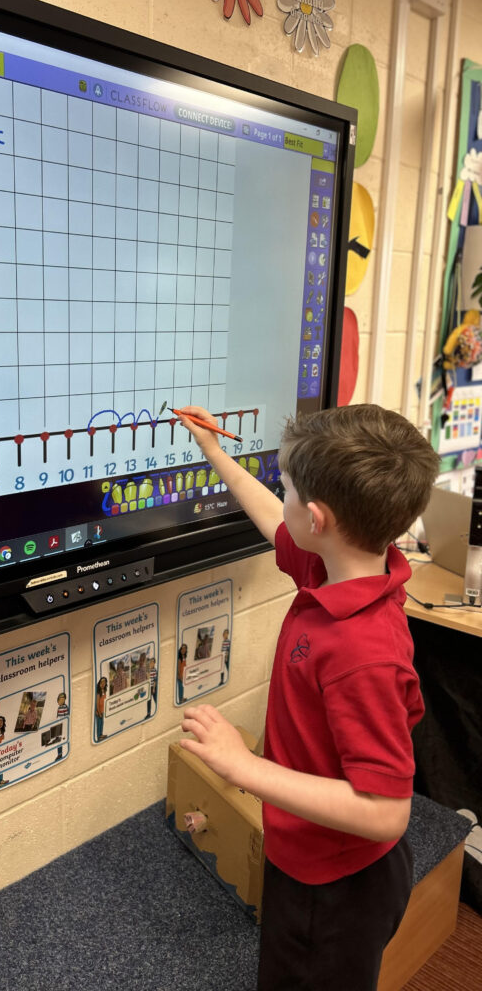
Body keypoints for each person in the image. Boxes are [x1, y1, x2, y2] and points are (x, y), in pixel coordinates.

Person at [178, 402, 440, 991]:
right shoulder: (343, 569)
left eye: (289, 486)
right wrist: (216, 454)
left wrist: (242, 765)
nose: (282, 495)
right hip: (313, 858)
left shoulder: (361, 651)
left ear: (317, 519)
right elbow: (275, 517)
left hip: (337, 888)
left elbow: (385, 812)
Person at [55, 693, 69, 759]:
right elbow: (58, 717)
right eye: (60, 700)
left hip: (62, 727)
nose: (61, 701)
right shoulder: (59, 707)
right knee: (58, 741)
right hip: (59, 726)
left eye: (63, 700)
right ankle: (59, 754)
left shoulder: (64, 707)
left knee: (60, 740)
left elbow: (66, 717)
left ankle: (60, 754)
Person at [95, 677, 108, 741]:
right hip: (99, 710)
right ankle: (98, 736)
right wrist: (98, 711)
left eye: (104, 683)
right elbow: (97, 703)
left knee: (102, 722)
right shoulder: (98, 693)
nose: (103, 684)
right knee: (99, 723)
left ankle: (101, 734)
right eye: (101, 683)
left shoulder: (104, 691)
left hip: (103, 710)